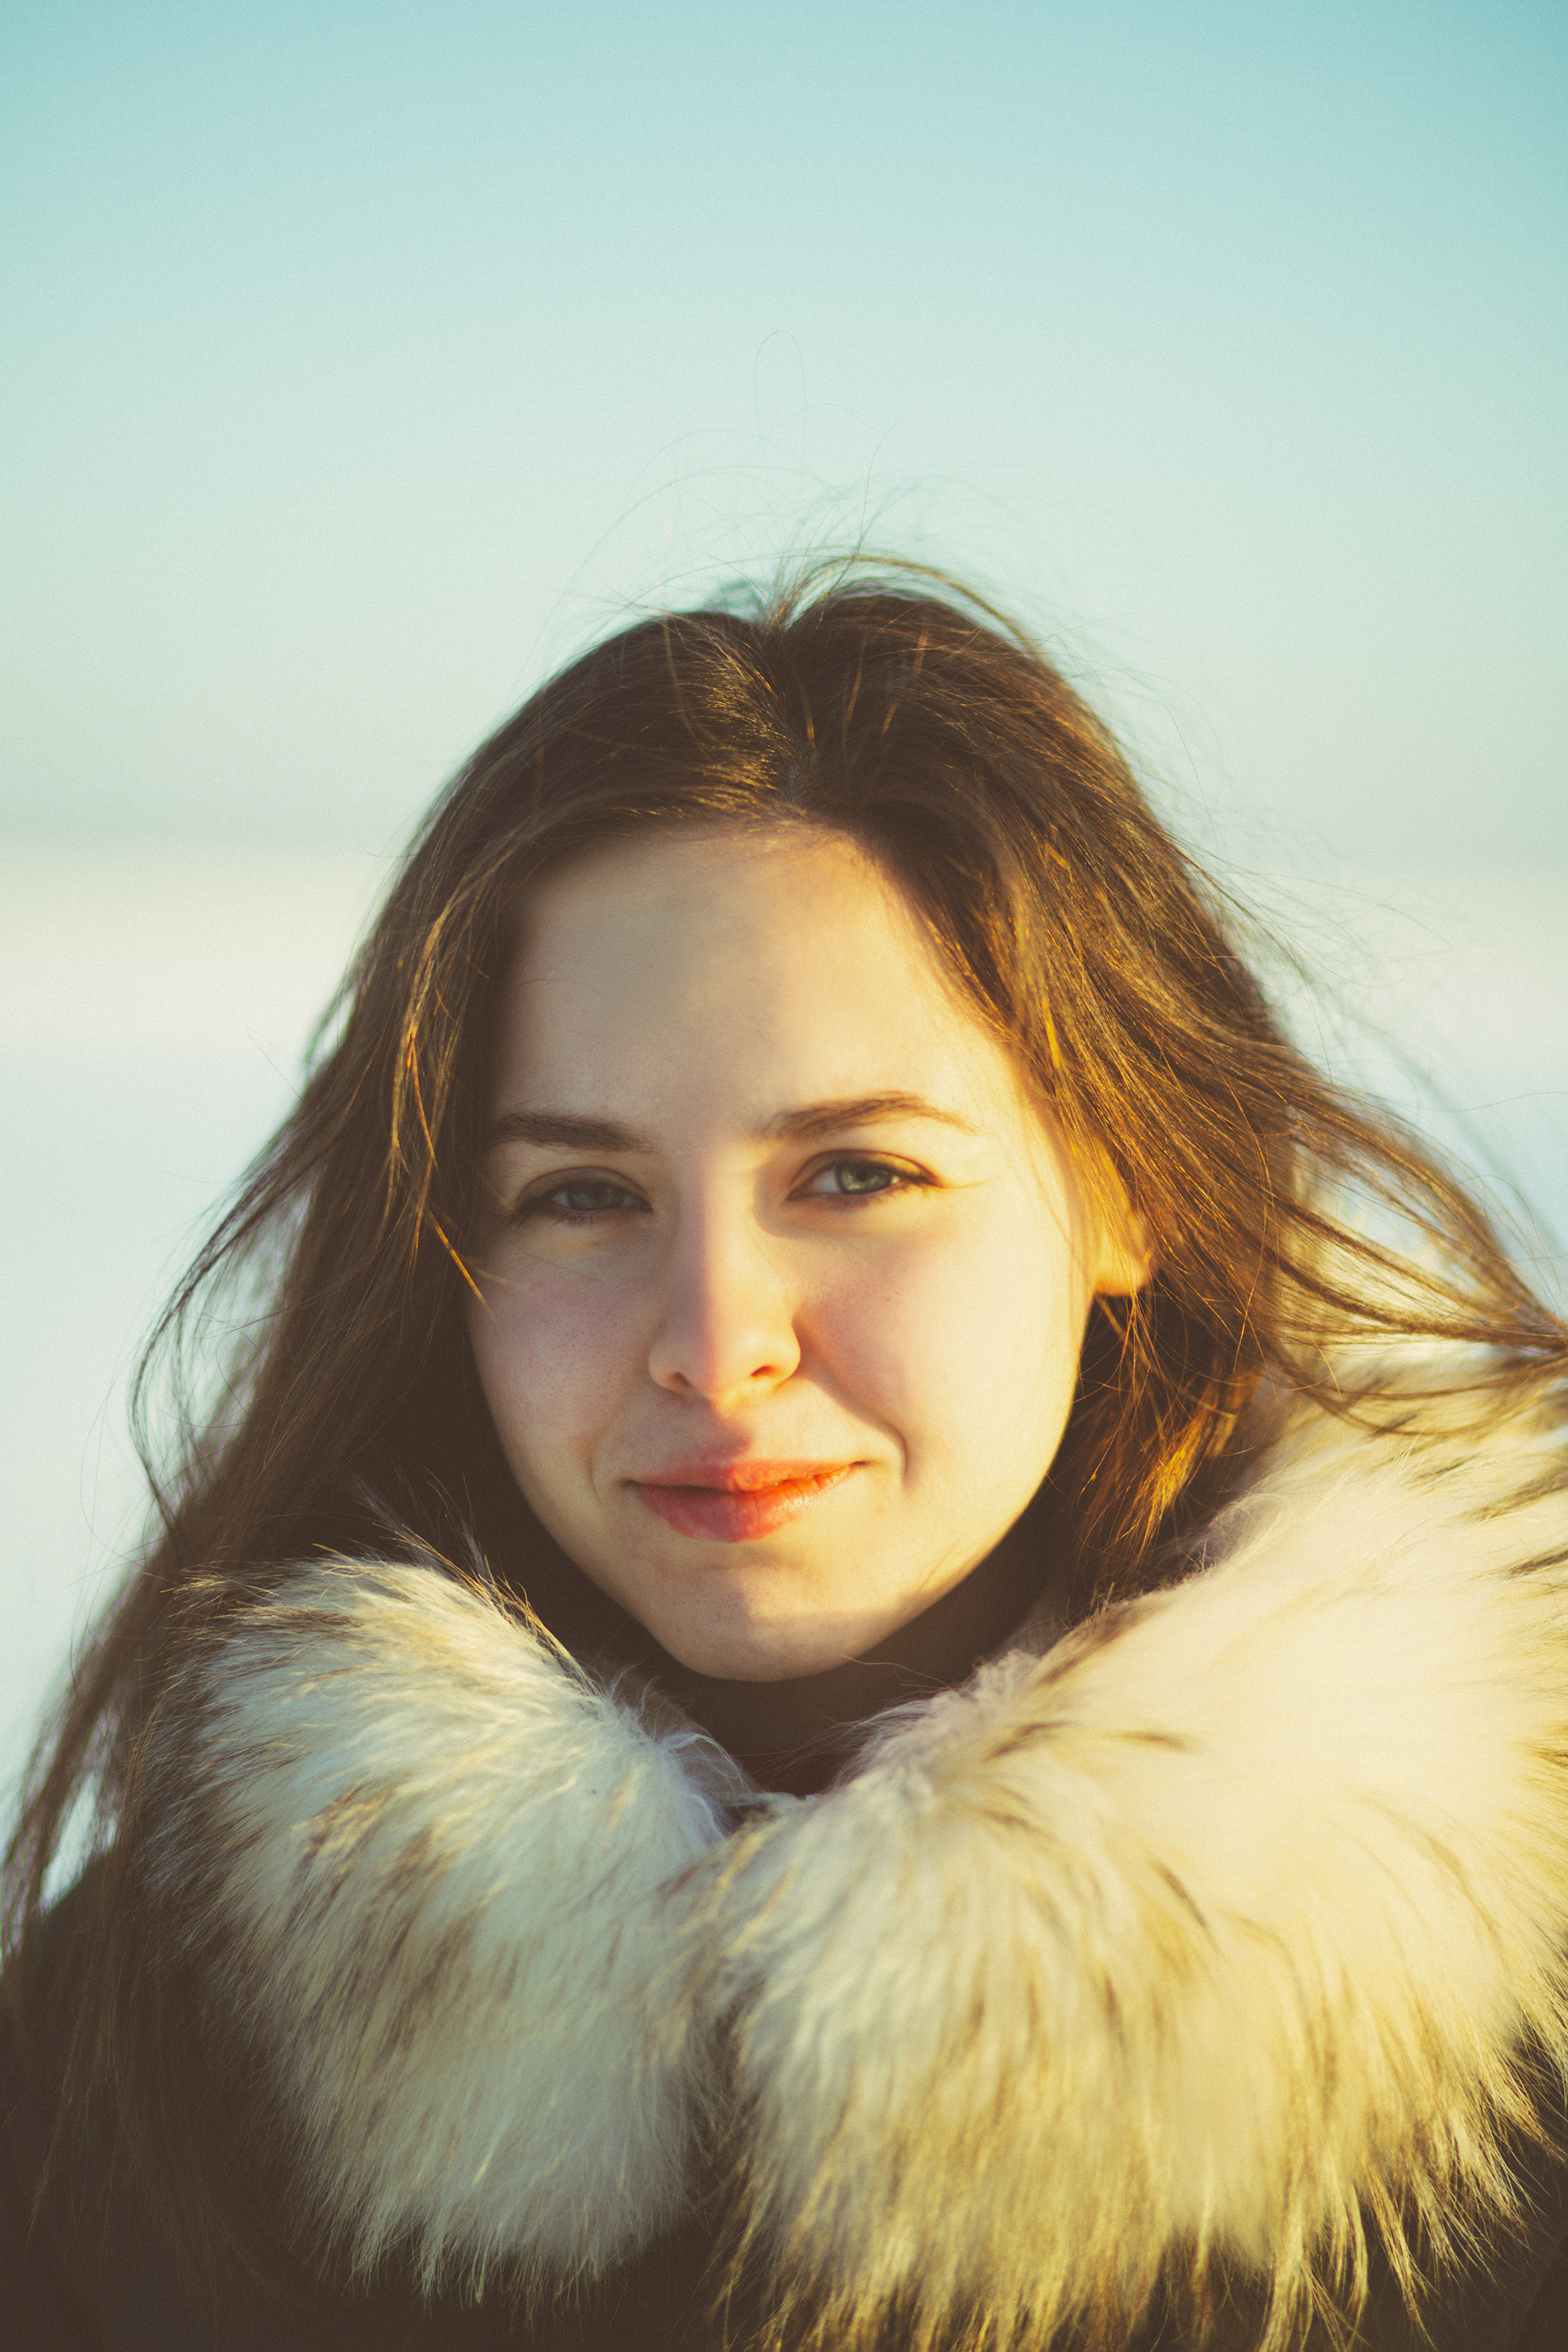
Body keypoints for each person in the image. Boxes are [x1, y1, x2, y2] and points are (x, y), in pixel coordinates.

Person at [4, 568, 1567, 2352]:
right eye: (581, 1195)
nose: (715, 1335)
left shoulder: (1518, 2036)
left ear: (1127, 1183)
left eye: (855, 1174)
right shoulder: (143, 2065)